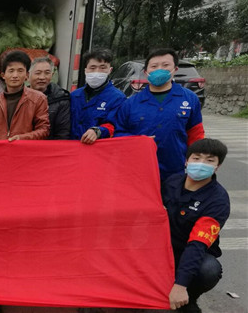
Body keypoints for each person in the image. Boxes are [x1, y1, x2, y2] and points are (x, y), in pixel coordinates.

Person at [113, 48, 204, 181]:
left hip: (175, 170)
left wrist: (196, 160)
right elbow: (118, 133)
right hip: (139, 170)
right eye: (154, 66)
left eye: (165, 65)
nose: (159, 69)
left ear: (175, 69)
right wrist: (138, 141)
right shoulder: (130, 103)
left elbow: (196, 134)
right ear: (146, 72)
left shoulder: (190, 99)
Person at [162, 139, 230, 313]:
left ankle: (188, 299)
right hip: (161, 249)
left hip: (190, 252)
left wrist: (180, 285)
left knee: (209, 269)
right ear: (186, 161)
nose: (201, 164)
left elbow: (197, 244)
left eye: (209, 160)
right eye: (196, 158)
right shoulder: (171, 182)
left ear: (217, 167)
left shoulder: (218, 200)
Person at [0, 50, 49, 142]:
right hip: (1, 150)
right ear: (3, 75)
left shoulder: (39, 99)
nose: (15, 75)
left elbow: (44, 130)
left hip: (25, 149)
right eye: (11, 71)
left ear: (27, 75)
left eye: (20, 71)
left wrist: (22, 138)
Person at [69, 49, 125, 144]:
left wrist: (98, 131)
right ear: (85, 70)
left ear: (110, 70)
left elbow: (115, 125)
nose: (97, 72)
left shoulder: (117, 98)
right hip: (73, 147)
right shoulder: (74, 95)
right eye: (92, 67)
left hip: (98, 149)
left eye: (102, 68)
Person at [29, 57, 70, 139]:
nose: (42, 77)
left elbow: (63, 133)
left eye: (47, 73)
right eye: (38, 73)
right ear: (28, 74)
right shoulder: (21, 97)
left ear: (52, 75)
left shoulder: (61, 99)